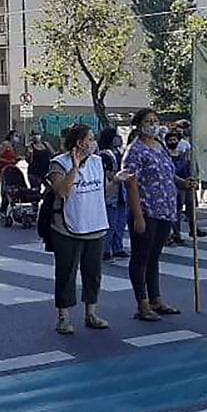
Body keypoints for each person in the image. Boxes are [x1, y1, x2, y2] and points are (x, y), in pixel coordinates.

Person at [123, 108, 198, 321]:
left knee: (154, 257)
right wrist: (138, 215)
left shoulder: (160, 145)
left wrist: (184, 183)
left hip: (165, 209)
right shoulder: (135, 151)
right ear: (138, 125)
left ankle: (156, 298)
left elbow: (167, 174)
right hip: (147, 210)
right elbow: (131, 183)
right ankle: (142, 303)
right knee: (141, 258)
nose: (153, 124)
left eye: (155, 120)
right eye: (148, 121)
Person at [48, 124, 118, 335]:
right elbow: (62, 191)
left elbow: (103, 193)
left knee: (93, 273)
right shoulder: (58, 163)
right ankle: (64, 317)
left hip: (95, 225)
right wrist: (75, 168)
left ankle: (91, 313)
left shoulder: (98, 162)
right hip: (68, 228)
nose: (93, 142)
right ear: (80, 142)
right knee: (66, 274)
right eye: (90, 139)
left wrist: (116, 180)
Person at [98, 127, 128, 261]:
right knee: (110, 222)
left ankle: (118, 247)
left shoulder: (119, 152)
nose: (119, 138)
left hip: (122, 191)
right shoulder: (104, 155)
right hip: (112, 191)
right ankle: (105, 249)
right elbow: (106, 174)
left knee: (120, 222)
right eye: (116, 136)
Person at [0, 130, 21, 215]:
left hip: (11, 170)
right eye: (15, 136)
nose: (17, 138)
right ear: (11, 136)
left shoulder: (13, 147)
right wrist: (8, 161)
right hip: (3, 170)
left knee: (11, 189)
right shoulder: (5, 144)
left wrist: (15, 160)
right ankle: (3, 208)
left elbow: (13, 159)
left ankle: (9, 206)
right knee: (5, 189)